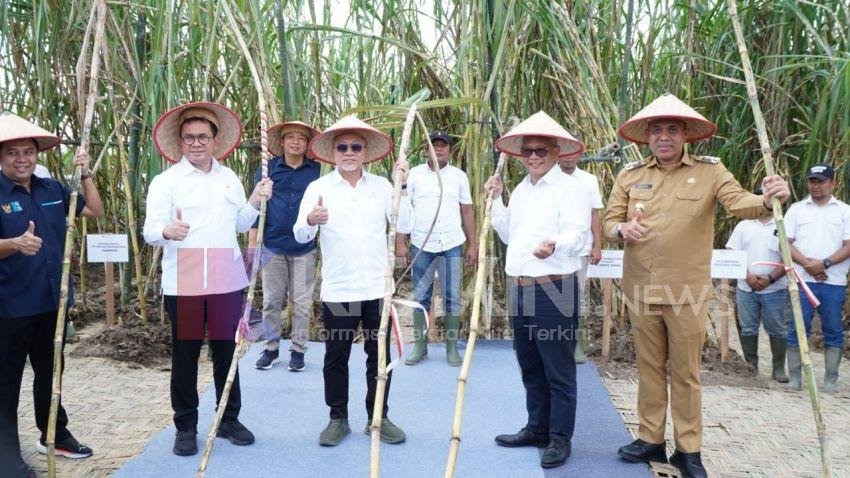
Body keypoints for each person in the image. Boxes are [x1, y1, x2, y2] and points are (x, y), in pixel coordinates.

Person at [604, 93, 790, 478]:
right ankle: (650, 438)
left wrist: (770, 197)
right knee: (649, 368)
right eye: (657, 130)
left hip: (686, 291)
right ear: (647, 137)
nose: (664, 137)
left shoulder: (710, 172)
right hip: (640, 289)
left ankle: (688, 450)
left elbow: (741, 203)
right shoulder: (630, 175)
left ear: (685, 134)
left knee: (686, 372)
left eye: (672, 129)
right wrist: (622, 229)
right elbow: (609, 223)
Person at [143, 102, 272, 456]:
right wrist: (167, 230)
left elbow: (241, 224)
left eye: (203, 137)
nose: (196, 143)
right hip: (184, 281)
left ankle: (229, 419)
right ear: (180, 142)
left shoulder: (228, 178)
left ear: (215, 140)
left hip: (226, 280)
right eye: (189, 138)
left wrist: (257, 201)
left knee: (226, 353)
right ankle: (185, 426)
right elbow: (149, 230)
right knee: (185, 356)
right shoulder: (166, 182)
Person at [293, 114, 411, 447]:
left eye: (355, 147)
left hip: (378, 289)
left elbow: (405, 221)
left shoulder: (382, 187)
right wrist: (311, 220)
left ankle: (379, 417)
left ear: (364, 152)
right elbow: (300, 234)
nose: (349, 152)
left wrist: (401, 184)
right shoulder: (318, 189)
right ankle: (337, 418)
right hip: (340, 289)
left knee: (380, 357)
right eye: (342, 147)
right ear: (332, 152)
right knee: (336, 356)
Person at [485, 111, 589, 469]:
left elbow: (580, 234)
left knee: (558, 368)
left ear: (557, 152)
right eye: (527, 151)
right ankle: (537, 428)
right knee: (529, 363)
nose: (532, 157)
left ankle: (560, 438)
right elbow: (508, 233)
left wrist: (554, 244)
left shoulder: (570, 188)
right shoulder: (522, 188)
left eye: (540, 151)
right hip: (520, 288)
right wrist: (496, 199)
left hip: (554, 289)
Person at [0, 111, 102, 478]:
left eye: (28, 151)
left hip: (53, 303)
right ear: (2, 157)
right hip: (10, 306)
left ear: (36, 154)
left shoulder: (51, 189)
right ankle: (6, 454)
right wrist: (13, 243)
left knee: (50, 374)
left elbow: (93, 209)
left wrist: (86, 173)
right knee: (6, 380)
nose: (22, 159)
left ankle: (54, 435)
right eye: (13, 153)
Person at [396, 130, 476, 366]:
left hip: (452, 244)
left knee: (452, 297)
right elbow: (403, 209)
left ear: (450, 151)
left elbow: (467, 211)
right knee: (421, 297)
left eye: (443, 146)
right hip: (422, 245)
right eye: (433, 145)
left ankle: (452, 347)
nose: (438, 149)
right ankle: (421, 346)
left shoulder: (459, 177)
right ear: (425, 150)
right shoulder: (414, 176)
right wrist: (401, 242)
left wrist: (473, 245)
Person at [251, 120, 321, 372]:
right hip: (272, 245)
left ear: (307, 144)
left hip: (304, 247)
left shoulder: (316, 171)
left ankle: (298, 350)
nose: (295, 142)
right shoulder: (267, 170)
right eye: (290, 137)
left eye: (301, 138)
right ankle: (270, 348)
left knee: (302, 302)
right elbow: (257, 208)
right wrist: (253, 246)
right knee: (271, 300)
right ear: (281, 142)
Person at [784, 164, 850, 393]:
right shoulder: (796, 209)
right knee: (796, 328)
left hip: (833, 282)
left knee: (832, 329)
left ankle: (830, 380)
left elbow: (849, 245)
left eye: (821, 181)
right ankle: (795, 379)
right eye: (813, 181)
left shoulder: (844, 211)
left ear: (833, 183)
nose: (816, 185)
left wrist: (825, 264)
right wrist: (809, 265)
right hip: (801, 281)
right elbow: (785, 243)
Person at [725, 200, 789, 382]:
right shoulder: (744, 225)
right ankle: (751, 366)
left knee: (776, 328)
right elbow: (732, 253)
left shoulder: (783, 225)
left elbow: (788, 256)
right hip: (746, 286)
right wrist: (748, 276)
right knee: (748, 327)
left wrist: (770, 278)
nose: (766, 206)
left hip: (774, 288)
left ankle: (778, 369)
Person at [558, 152, 603, 363]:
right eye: (564, 154)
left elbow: (595, 214)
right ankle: (554, 343)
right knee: (551, 298)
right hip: (553, 248)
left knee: (578, 297)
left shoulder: (589, 180)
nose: (568, 158)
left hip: (581, 249)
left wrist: (597, 245)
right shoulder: (548, 178)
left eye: (572, 153)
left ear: (579, 153)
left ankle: (577, 344)